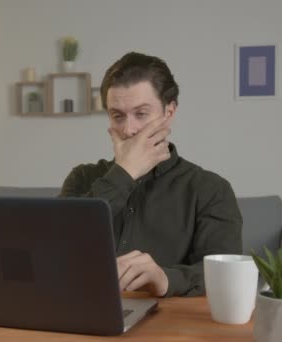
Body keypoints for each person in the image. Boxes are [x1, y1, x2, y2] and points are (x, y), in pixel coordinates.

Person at [59, 52, 242, 297]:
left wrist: (165, 278)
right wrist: (124, 173)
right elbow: (54, 250)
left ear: (169, 112)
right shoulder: (82, 178)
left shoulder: (210, 190)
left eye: (141, 114)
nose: (128, 129)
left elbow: (226, 277)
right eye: (117, 116)